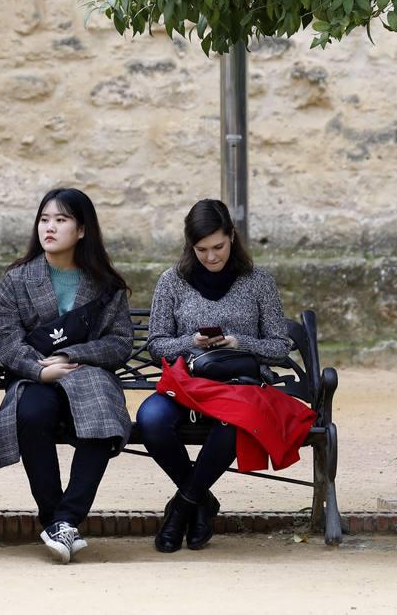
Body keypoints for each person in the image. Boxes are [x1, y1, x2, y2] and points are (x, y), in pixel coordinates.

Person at [138, 198, 291, 553]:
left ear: (232, 237)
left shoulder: (258, 282)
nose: (211, 256)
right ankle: (201, 501)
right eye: (202, 249)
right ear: (191, 246)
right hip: (187, 384)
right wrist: (191, 341)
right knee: (151, 419)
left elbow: (280, 346)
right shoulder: (172, 282)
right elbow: (156, 345)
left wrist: (239, 342)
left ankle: (180, 510)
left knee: (234, 424)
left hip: (239, 387)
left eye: (218, 246)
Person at [0, 187, 133, 564]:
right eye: (44, 219)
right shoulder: (17, 280)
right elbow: (7, 341)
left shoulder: (106, 284)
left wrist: (72, 354)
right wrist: (40, 368)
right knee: (31, 413)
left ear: (82, 230)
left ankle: (66, 519)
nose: (49, 228)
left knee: (104, 414)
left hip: (87, 375)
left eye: (61, 220)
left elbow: (120, 343)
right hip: (36, 377)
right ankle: (56, 518)